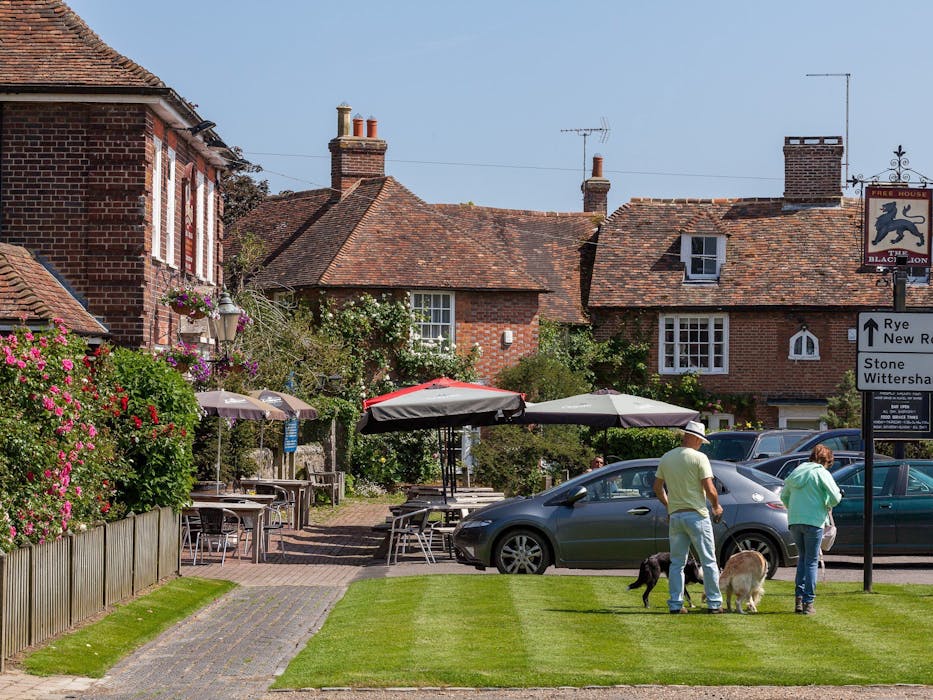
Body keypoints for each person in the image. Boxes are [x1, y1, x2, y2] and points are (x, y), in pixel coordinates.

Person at [653, 420, 724, 614]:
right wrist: (716, 506)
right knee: (709, 561)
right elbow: (710, 489)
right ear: (692, 438)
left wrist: (670, 506)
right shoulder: (699, 458)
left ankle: (676, 604)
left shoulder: (667, 457)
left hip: (676, 517)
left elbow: (657, 488)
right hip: (697, 515)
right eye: (700, 439)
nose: (701, 443)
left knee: (677, 563)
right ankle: (714, 603)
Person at [780, 444, 842, 615]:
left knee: (802, 559)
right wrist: (826, 502)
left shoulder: (797, 471)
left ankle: (798, 599)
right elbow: (836, 497)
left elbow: (784, 496)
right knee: (811, 561)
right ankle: (808, 602)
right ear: (826, 461)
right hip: (814, 521)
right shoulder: (821, 472)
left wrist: (793, 508)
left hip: (794, 520)